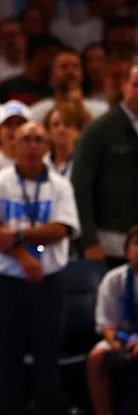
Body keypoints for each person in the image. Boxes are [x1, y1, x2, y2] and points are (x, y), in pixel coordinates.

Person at [0, 122, 80, 415]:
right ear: (14, 146)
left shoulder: (60, 186)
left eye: (38, 140)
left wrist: (19, 236)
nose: (32, 145)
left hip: (48, 281)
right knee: (7, 354)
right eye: (26, 140)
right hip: (4, 279)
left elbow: (62, 228)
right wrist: (22, 255)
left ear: (47, 147)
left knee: (47, 355)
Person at [72, 62, 138, 268]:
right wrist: (89, 240)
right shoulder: (99, 130)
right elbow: (80, 187)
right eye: (136, 85)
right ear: (124, 86)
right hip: (110, 240)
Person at [82, 226, 138, 415]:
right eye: (136, 243)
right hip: (124, 338)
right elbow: (106, 324)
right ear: (127, 250)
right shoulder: (114, 279)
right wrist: (117, 345)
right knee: (97, 357)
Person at [28, 47, 107, 123]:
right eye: (64, 67)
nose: (70, 71)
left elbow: (100, 136)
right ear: (52, 76)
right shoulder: (37, 112)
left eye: (75, 66)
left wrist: (80, 108)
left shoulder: (101, 110)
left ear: (82, 75)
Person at [43, 103, 86, 179]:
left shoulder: (85, 163)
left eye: (67, 124)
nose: (61, 129)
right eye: (55, 124)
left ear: (77, 132)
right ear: (48, 132)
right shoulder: (42, 163)